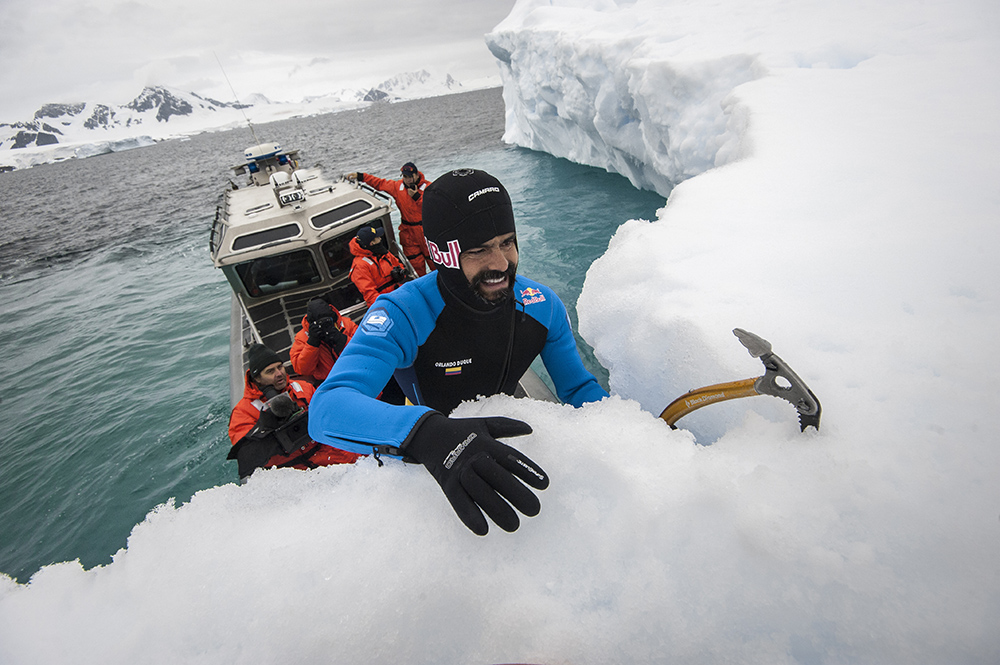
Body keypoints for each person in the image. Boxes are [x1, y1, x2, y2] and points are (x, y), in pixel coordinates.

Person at [309, 169, 609, 535]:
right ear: (442, 254)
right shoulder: (404, 312)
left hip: (503, 438)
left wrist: (629, 432)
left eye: (507, 242)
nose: (501, 264)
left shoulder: (541, 304)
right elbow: (327, 408)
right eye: (478, 250)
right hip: (434, 460)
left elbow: (578, 389)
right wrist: (427, 434)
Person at [228, 343, 362, 480]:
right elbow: (247, 456)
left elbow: (332, 417)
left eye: (280, 367)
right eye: (270, 371)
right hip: (289, 473)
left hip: (325, 453)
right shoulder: (243, 412)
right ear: (257, 378)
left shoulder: (304, 388)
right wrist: (266, 428)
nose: (279, 374)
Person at [348, 163, 435, 276]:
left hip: (426, 231)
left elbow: (435, 206)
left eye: (410, 176)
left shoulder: (429, 188)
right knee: (415, 266)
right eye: (405, 176)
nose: (408, 180)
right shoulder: (397, 187)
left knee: (436, 262)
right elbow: (379, 183)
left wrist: (417, 197)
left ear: (417, 175)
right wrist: (361, 176)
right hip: (409, 234)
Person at [290, 296, 358, 384]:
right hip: (329, 383)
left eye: (328, 320)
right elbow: (303, 370)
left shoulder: (346, 325)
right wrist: (312, 343)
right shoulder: (303, 337)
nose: (324, 324)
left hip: (355, 374)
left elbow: (365, 349)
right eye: (320, 322)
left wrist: (342, 339)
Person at [349, 225, 409, 305]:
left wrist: (400, 273)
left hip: (400, 293)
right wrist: (388, 304)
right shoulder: (360, 266)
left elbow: (398, 264)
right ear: (372, 243)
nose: (380, 239)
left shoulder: (384, 253)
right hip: (385, 302)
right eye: (377, 237)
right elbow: (370, 294)